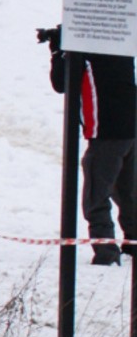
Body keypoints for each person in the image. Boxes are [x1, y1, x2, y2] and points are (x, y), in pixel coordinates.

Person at [47, 29, 137, 266]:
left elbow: (60, 82)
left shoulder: (84, 48)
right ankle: (133, 243)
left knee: (96, 197)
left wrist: (58, 49)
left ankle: (106, 253)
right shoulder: (120, 40)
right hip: (131, 128)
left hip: (105, 133)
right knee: (128, 193)